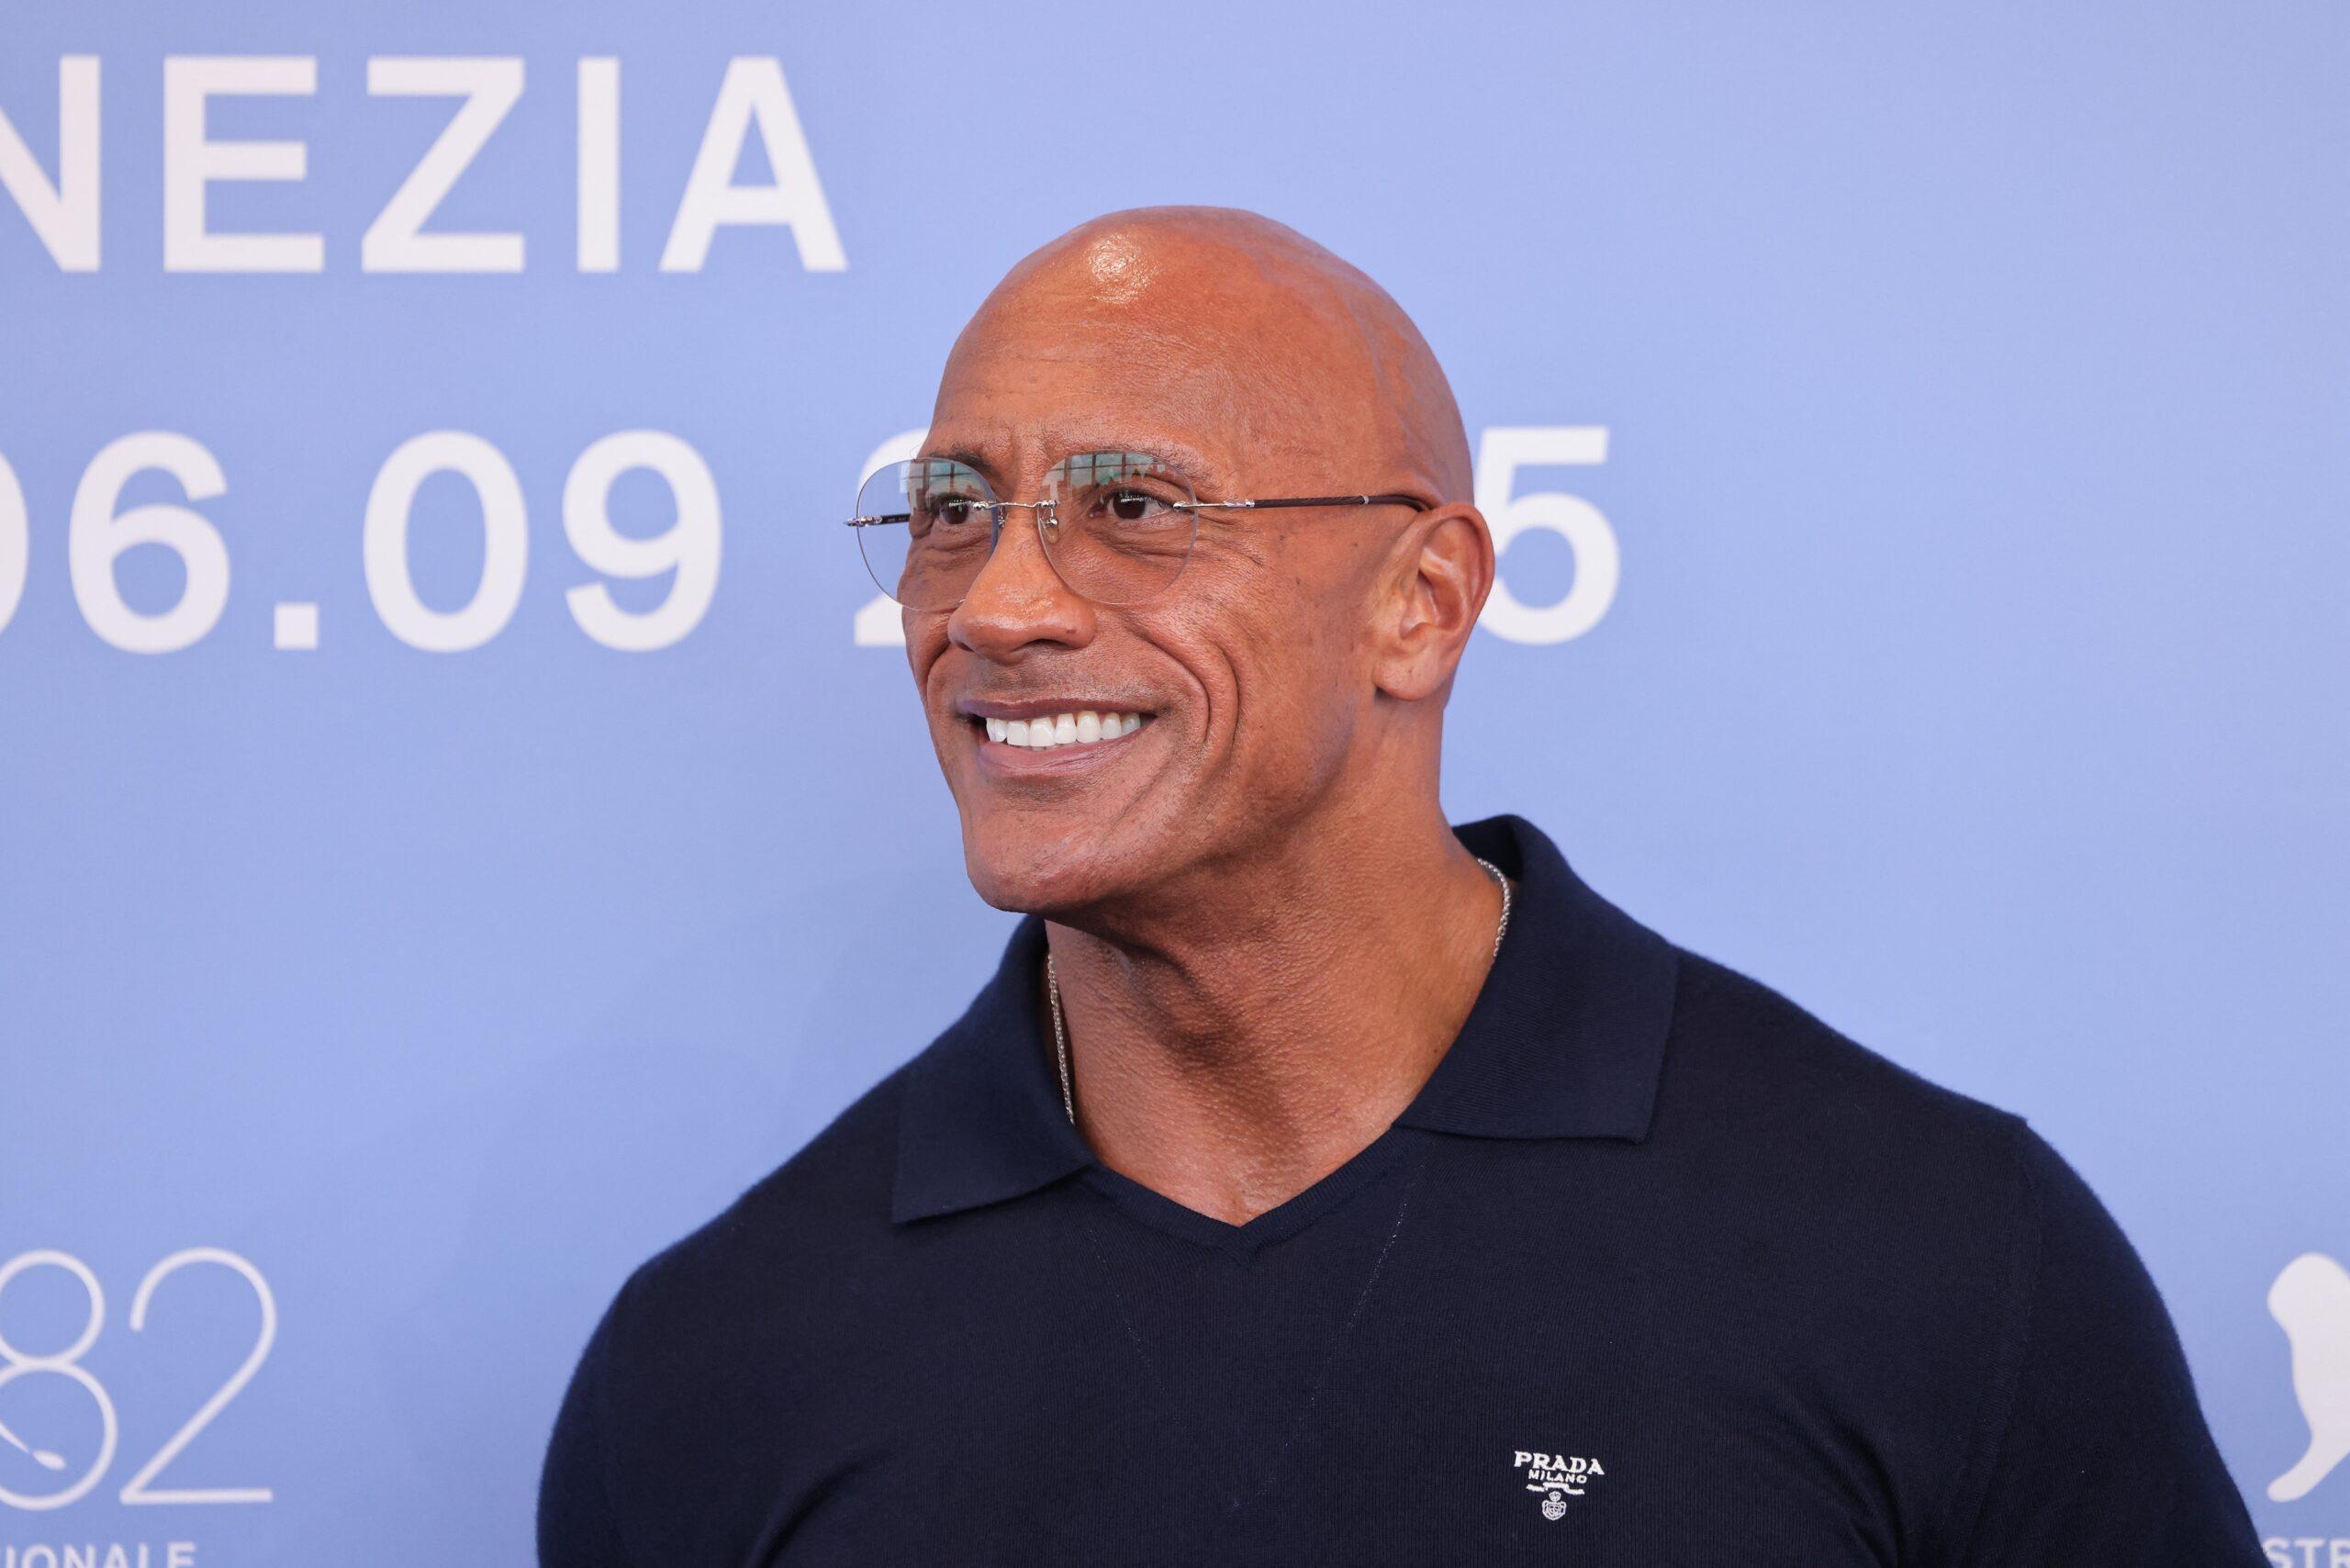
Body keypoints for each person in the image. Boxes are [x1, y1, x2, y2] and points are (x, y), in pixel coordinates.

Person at [538, 207, 2263, 1564]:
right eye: (949, 510)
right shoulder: (717, 1361)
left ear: (1421, 602)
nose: (995, 607)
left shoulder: (1939, 1252)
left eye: (1131, 506)